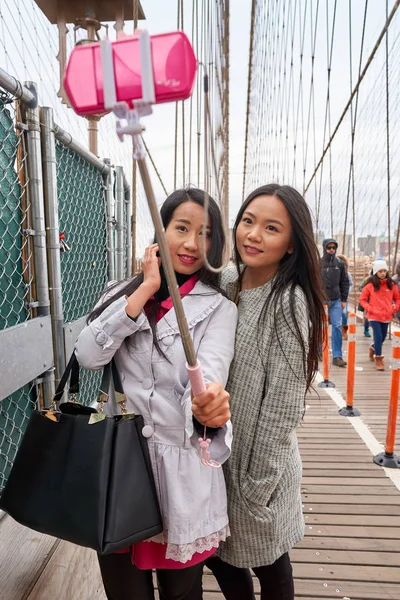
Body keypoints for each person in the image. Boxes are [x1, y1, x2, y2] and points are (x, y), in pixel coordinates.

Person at [75, 188, 238, 600]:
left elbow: (210, 374)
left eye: (204, 234)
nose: (190, 243)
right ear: (160, 231)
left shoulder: (219, 309)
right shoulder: (121, 292)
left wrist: (206, 407)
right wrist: (146, 287)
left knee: (183, 594)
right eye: (181, 228)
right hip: (119, 472)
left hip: (181, 477)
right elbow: (89, 355)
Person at [206, 184, 325, 600]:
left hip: (259, 470)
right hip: (214, 462)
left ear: (292, 244)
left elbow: (284, 406)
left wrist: (257, 484)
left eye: (271, 228)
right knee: (218, 556)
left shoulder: (289, 303)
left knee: (269, 562)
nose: (253, 235)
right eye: (248, 221)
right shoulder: (224, 281)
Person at [359, 259, 400, 371]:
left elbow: (397, 298)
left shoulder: (391, 285)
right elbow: (362, 299)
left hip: (386, 315)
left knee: (383, 337)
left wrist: (394, 308)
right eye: (380, 271)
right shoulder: (370, 285)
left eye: (384, 271)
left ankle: (373, 348)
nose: (382, 273)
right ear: (376, 272)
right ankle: (379, 359)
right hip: (374, 316)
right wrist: (370, 308)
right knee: (378, 336)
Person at [320, 239, 349, 367]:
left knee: (337, 326)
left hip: (336, 299)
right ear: (324, 248)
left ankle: (337, 356)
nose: (332, 250)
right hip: (321, 299)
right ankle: (318, 351)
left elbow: (345, 281)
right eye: (329, 247)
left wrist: (343, 299)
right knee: (319, 326)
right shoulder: (317, 263)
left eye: (334, 247)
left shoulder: (340, 264)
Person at [337, 254, 353, 341]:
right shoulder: (334, 273)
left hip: (344, 298)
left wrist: (346, 292)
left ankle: (344, 329)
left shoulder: (348, 274)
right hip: (335, 297)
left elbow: (350, 284)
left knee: (344, 313)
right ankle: (338, 330)